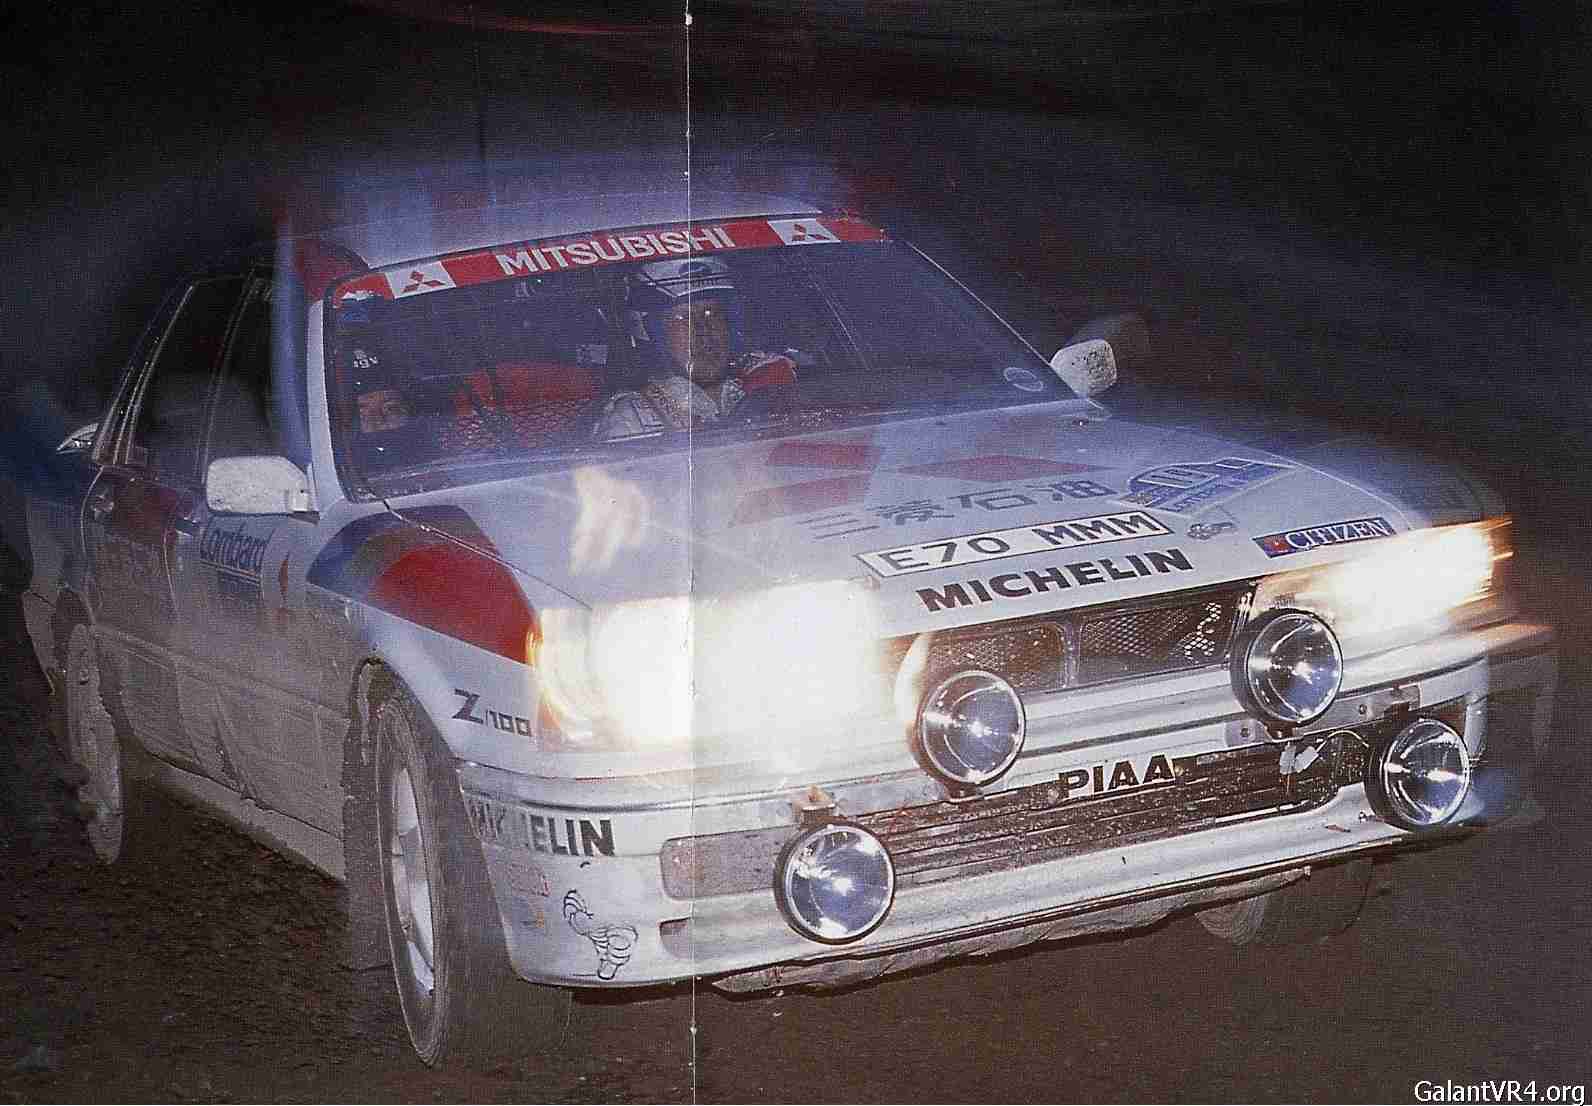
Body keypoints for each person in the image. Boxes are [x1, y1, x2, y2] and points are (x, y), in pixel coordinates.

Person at [594, 258, 795, 439]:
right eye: (682, 317)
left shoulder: (774, 386)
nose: (703, 330)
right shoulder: (631, 423)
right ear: (652, 333)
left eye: (711, 313)